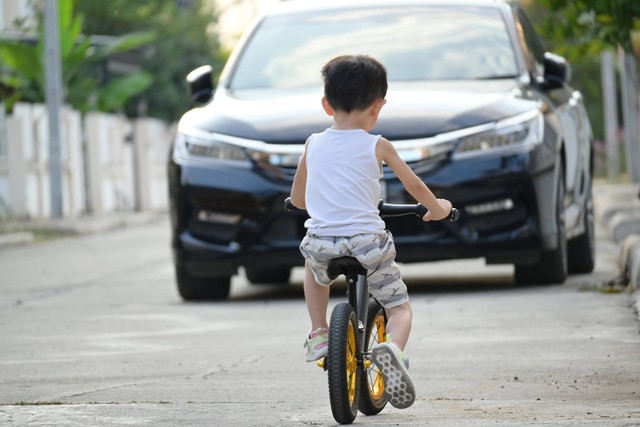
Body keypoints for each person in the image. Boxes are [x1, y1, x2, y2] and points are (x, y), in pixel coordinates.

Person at [289, 54, 452, 409]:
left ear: (326, 104)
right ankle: (391, 349)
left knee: (313, 269)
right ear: (378, 107)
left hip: (322, 242)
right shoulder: (378, 144)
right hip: (367, 243)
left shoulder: (312, 144)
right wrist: (439, 209)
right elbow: (416, 188)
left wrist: (306, 201)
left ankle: (319, 333)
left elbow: (298, 199)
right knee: (399, 307)